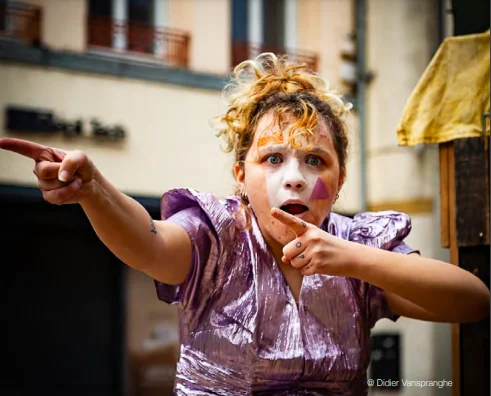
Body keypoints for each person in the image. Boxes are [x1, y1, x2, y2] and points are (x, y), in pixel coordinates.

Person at [0, 53, 489, 395]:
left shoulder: (362, 246)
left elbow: (474, 300)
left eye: (316, 160)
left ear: (339, 181)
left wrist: (357, 260)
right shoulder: (216, 236)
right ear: (242, 175)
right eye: (273, 158)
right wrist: (94, 191)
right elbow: (149, 240)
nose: (295, 179)